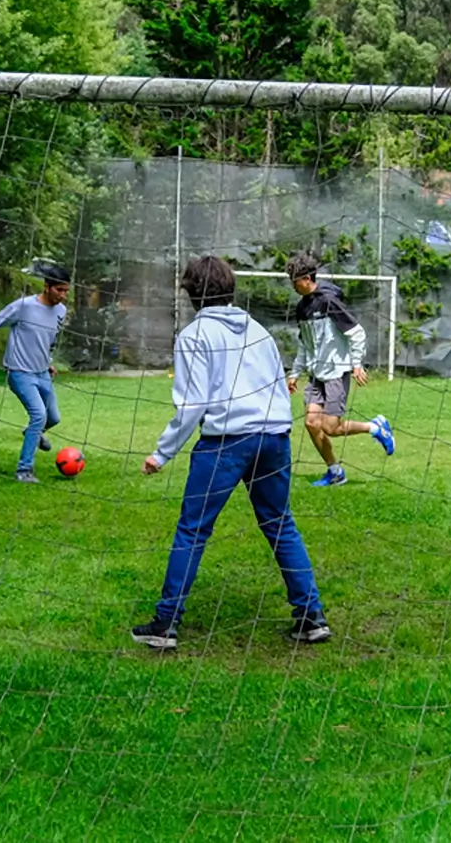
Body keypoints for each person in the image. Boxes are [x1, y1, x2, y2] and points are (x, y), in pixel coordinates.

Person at [131, 256, 330, 651]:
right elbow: (277, 388)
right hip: (274, 438)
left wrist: (162, 453)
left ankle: (165, 624)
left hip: (226, 443)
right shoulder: (259, 331)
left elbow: (191, 406)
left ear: (191, 293)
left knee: (193, 529)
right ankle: (312, 617)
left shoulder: (194, 336)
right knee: (280, 524)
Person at [284, 252, 394, 487]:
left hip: (336, 371)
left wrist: (356, 363)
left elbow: (356, 333)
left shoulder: (329, 302)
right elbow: (304, 343)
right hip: (316, 375)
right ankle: (335, 472)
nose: (292, 285)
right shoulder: (301, 309)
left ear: (305, 278)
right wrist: (295, 373)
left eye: (294, 280)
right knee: (312, 423)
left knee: (331, 427)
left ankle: (375, 428)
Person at [0, 261, 70, 484]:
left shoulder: (61, 311)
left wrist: (47, 362)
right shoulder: (23, 306)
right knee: (38, 415)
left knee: (53, 418)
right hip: (20, 373)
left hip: (42, 374)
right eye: (60, 290)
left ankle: (33, 433)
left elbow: (47, 340)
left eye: (67, 291)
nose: (63, 296)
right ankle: (24, 470)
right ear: (47, 286)